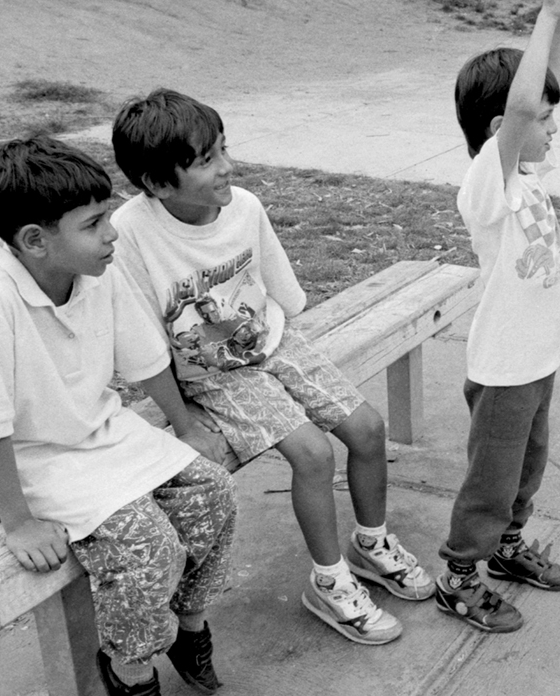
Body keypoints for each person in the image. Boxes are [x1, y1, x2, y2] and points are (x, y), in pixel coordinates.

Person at [109, 88, 435, 648]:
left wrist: (278, 348)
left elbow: (284, 296)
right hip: (213, 375)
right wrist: (184, 424)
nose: (226, 168)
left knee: (368, 428)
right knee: (312, 453)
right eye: (206, 160)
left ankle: (372, 543)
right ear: (158, 184)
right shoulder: (131, 234)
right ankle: (329, 583)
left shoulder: (245, 207)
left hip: (274, 341)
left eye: (223, 149)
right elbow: (140, 349)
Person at [0, 136, 239, 696]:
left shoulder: (95, 273)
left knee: (213, 492)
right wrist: (18, 522)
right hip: (35, 462)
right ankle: (130, 665)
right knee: (148, 543)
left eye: (107, 216)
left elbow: (143, 358)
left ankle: (188, 624)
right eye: (94, 223)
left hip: (104, 435)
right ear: (34, 240)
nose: (112, 232)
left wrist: (184, 427)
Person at [437, 0, 560, 633]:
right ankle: (460, 575)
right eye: (544, 118)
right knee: (491, 482)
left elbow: (539, 92)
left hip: (536, 357)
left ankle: (505, 549)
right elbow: (530, 104)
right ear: (505, 125)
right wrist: (542, 9)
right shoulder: (486, 186)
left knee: (528, 469)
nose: (554, 127)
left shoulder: (525, 170)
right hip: (502, 366)